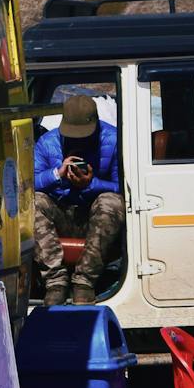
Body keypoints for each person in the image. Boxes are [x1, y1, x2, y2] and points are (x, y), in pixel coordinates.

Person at [32, 92, 124, 305]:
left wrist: (91, 185)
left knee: (111, 202)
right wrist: (57, 174)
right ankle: (55, 282)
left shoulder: (114, 139)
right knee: (32, 202)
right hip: (61, 213)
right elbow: (29, 184)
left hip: (97, 216)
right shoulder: (47, 143)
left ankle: (84, 282)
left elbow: (125, 188)